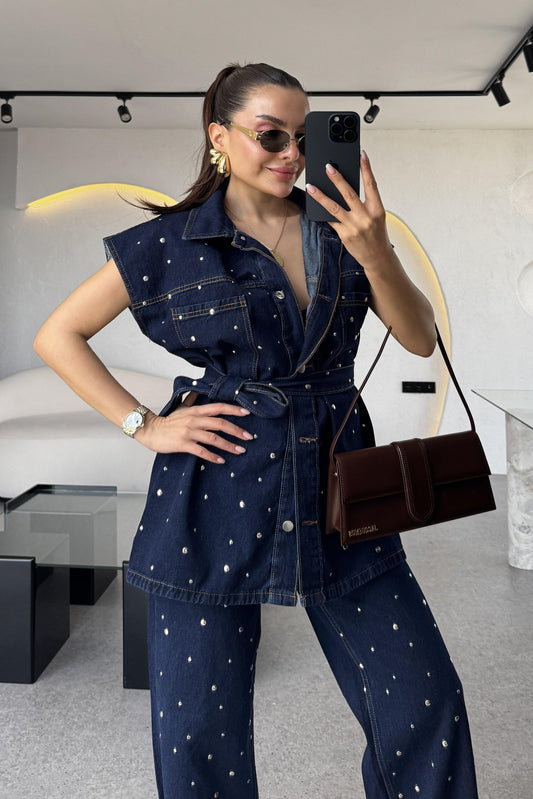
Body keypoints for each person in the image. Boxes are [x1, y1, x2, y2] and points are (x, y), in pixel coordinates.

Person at [34, 63, 478, 798]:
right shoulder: (168, 242)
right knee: (199, 735)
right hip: (210, 494)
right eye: (271, 135)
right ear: (219, 136)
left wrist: (375, 250)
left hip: (340, 488)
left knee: (423, 698)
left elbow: (419, 337)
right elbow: (59, 335)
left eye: (303, 137)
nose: (291, 154)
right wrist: (145, 425)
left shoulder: (343, 230)